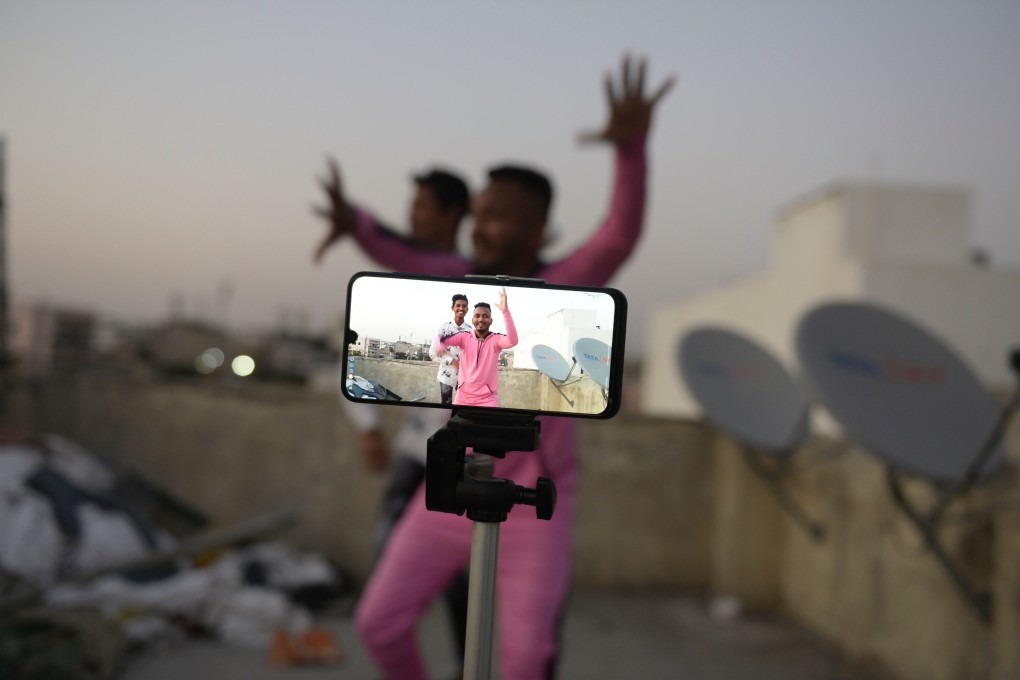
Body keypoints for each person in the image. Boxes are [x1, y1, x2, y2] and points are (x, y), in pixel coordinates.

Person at [314, 54, 673, 680]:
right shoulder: (453, 282)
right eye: (478, 212)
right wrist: (357, 224)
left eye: (498, 214)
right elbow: (396, 250)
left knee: (527, 659)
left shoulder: (565, 287)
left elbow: (617, 235)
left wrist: (632, 151)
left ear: (538, 230)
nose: (479, 225)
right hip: (451, 484)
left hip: (534, 508)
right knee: (378, 624)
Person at [319, 167, 472, 674]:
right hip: (414, 454)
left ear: (452, 215)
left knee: (461, 578)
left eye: (423, 206)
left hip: (460, 458)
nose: (412, 216)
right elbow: (357, 359)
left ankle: (463, 665)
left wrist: (359, 224)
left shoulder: (470, 286)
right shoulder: (409, 287)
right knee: (391, 569)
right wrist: (366, 427)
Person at [434, 290, 517, 408]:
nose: (481, 319)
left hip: (488, 398)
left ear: (491, 320)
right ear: (472, 320)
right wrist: (439, 345)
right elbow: (440, 339)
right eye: (477, 316)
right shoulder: (464, 336)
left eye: (485, 316)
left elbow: (513, 341)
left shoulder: (496, 340)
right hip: (462, 396)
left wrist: (505, 312)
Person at [429, 294, 474, 405]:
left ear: (467, 309)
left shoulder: (470, 331)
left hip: (464, 376)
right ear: (452, 308)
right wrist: (452, 361)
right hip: (446, 375)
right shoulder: (444, 328)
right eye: (458, 305)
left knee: (463, 405)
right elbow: (433, 353)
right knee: (446, 404)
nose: (461, 308)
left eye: (464, 306)